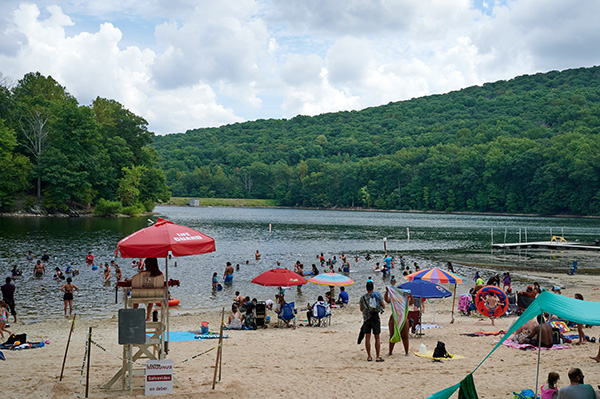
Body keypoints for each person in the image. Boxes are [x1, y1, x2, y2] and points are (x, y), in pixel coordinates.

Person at [358, 281, 385, 362]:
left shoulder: (362, 298)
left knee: (367, 337)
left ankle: (369, 356)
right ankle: (377, 357)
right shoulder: (377, 295)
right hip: (375, 317)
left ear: (366, 288)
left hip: (366, 318)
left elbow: (361, 309)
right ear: (373, 288)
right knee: (377, 337)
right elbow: (383, 306)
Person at [384, 287, 414, 356]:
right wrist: (387, 292)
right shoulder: (394, 298)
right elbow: (387, 300)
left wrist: (410, 295)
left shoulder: (405, 299)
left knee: (405, 336)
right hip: (394, 318)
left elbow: (412, 302)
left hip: (403, 318)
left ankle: (406, 352)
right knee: (392, 335)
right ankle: (390, 352)